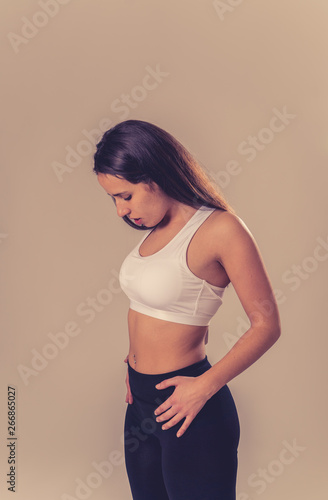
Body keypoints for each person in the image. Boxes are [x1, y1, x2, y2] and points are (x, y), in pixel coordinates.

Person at [93, 119, 281, 500]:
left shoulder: (221, 229)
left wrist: (205, 387)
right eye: (113, 198)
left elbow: (267, 324)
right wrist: (134, 367)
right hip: (141, 402)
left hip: (190, 404)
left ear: (155, 176)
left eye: (125, 195)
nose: (120, 211)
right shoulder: (156, 231)